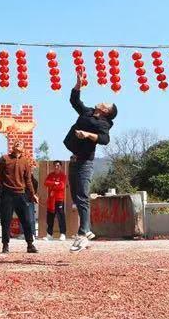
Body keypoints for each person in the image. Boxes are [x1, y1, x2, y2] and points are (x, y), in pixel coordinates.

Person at [63, 65, 116, 252]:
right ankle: (86, 230)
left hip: (85, 162)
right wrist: (78, 84)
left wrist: (87, 134)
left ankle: (83, 232)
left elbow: (104, 139)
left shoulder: (104, 123)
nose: (103, 102)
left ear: (106, 111)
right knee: (76, 197)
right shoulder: (87, 112)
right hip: (74, 158)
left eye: (106, 104)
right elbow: (74, 100)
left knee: (82, 196)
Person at [0, 139, 38, 254]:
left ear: (23, 148)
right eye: (16, 142)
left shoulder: (25, 161)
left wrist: (33, 194)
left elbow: (28, 180)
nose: (18, 143)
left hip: (21, 194)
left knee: (26, 220)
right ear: (13, 147)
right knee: (6, 221)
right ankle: (5, 245)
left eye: (20, 143)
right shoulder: (4, 158)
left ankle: (30, 244)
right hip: (7, 194)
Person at [44, 161, 68, 240]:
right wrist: (55, 183)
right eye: (55, 165)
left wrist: (53, 186)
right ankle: (49, 234)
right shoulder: (50, 175)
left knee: (61, 216)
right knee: (50, 217)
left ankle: (63, 234)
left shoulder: (63, 175)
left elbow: (62, 186)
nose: (56, 167)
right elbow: (46, 183)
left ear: (60, 167)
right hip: (51, 199)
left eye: (58, 165)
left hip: (59, 199)